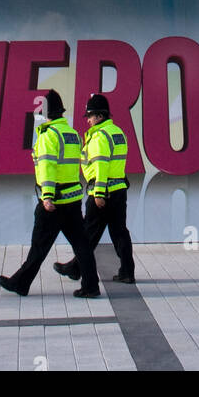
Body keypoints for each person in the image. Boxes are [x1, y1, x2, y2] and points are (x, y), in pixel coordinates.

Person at [0, 89, 101, 299]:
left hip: (54, 201)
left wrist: (47, 196)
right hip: (72, 200)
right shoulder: (72, 134)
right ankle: (91, 286)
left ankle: (20, 284)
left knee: (39, 247)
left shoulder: (48, 136)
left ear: (45, 113)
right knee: (82, 246)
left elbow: (47, 168)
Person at [55, 92, 136, 285]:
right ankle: (127, 271)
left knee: (87, 234)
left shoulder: (100, 136)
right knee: (119, 233)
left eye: (90, 116)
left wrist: (99, 193)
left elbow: (101, 166)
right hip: (118, 191)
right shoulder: (118, 132)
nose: (88, 120)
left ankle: (75, 268)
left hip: (102, 192)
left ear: (100, 116)